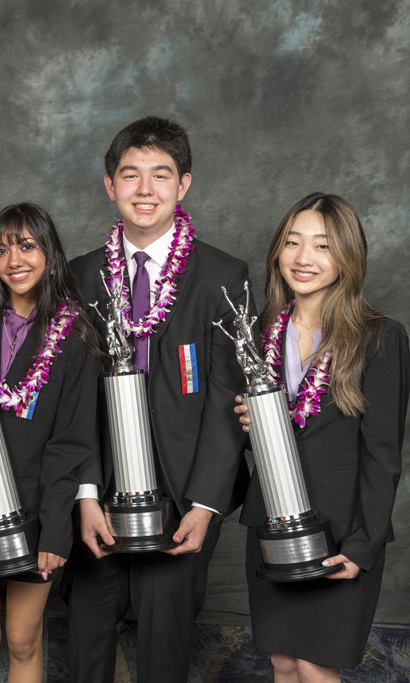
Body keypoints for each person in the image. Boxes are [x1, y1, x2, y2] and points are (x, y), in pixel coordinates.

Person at [63, 116, 251, 682]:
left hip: (182, 496)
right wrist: (86, 494)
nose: (145, 190)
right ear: (109, 186)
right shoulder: (79, 277)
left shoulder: (223, 275)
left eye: (161, 175)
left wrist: (206, 503)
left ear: (184, 185)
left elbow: (227, 399)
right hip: (100, 493)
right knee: (85, 644)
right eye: (130, 175)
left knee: (165, 651)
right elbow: (72, 402)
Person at [234, 193, 408, 682]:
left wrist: (362, 546)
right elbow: (261, 441)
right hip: (272, 526)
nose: (303, 258)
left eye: (322, 246)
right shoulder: (260, 334)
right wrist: (252, 426)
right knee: (283, 662)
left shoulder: (380, 338)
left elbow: (383, 455)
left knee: (314, 664)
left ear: (347, 257)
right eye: (292, 242)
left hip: (342, 531)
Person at [0, 202, 101, 683]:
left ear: (49, 252)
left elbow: (72, 441)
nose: (15, 260)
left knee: (24, 638)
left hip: (36, 509)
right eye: (2, 248)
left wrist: (54, 530)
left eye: (27, 246)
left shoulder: (74, 332)